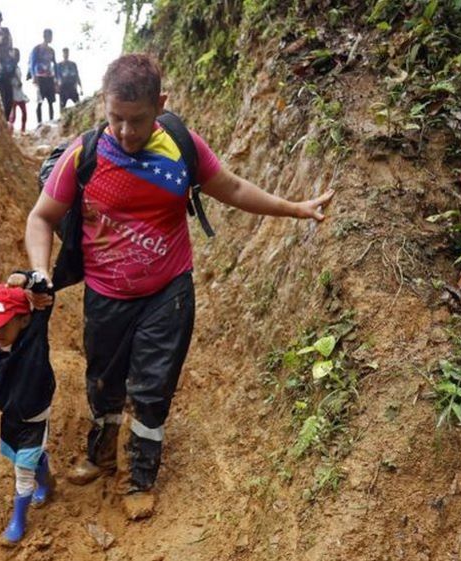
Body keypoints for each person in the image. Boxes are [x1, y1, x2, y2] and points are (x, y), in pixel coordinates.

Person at [22, 54, 335, 521]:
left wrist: (293, 208)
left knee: (152, 388)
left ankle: (140, 476)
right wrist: (41, 270)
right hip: (106, 295)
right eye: (116, 119)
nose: (126, 132)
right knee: (104, 383)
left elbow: (231, 187)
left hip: (167, 292)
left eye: (138, 120)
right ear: (104, 108)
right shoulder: (84, 155)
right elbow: (41, 217)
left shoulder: (181, 147)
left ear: (161, 104)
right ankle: (102, 452)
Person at [0, 272, 55, 545]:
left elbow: (45, 289)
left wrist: (27, 280)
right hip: (11, 416)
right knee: (18, 456)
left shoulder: (34, 336)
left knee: (22, 470)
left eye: (2, 326)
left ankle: (18, 520)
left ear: (24, 319)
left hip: (34, 416)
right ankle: (45, 475)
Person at [27, 29, 57, 124]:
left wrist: (56, 77)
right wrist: (34, 76)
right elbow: (32, 63)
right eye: (49, 36)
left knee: (51, 101)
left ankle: (51, 120)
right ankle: (39, 122)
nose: (51, 38)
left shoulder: (52, 50)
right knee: (40, 100)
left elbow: (55, 64)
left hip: (49, 77)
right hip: (40, 77)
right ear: (45, 36)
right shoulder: (37, 49)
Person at [8, 48, 29, 132]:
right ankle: (10, 129)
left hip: (19, 92)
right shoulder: (10, 67)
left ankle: (23, 129)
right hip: (13, 92)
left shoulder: (17, 67)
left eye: (18, 55)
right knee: (13, 114)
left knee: (24, 112)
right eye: (16, 55)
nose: (17, 57)